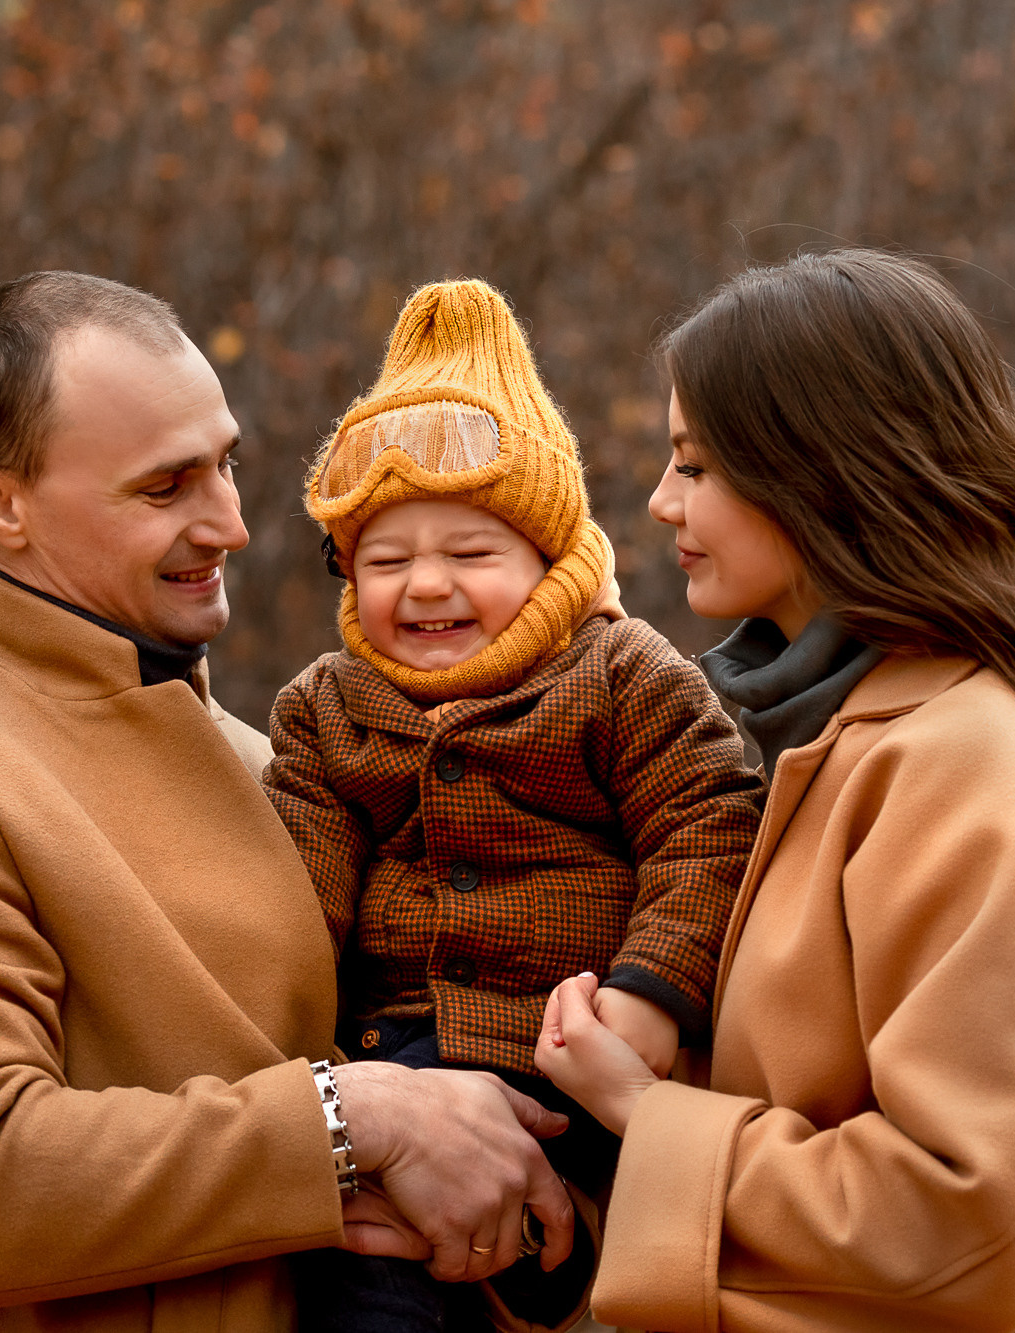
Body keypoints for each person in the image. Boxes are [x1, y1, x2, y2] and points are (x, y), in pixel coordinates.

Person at [0, 271, 573, 1333]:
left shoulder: (275, 762)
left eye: (225, 465)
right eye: (165, 487)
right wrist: (349, 1117)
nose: (232, 522)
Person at [535, 249, 1015, 1333]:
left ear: (819, 474)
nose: (660, 500)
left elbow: (962, 1230)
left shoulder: (975, 768)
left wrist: (643, 1111)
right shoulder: (838, 741)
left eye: (697, 466)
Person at [266, 279, 762, 1332]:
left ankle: (549, 1249)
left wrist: (650, 994)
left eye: (470, 554)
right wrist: (295, 1065)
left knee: (524, 1260)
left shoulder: (619, 671)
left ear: (549, 561)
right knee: (366, 1276)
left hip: (574, 1050)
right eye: (386, 560)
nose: (426, 586)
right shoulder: (325, 708)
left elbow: (707, 820)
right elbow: (289, 904)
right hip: (392, 1061)